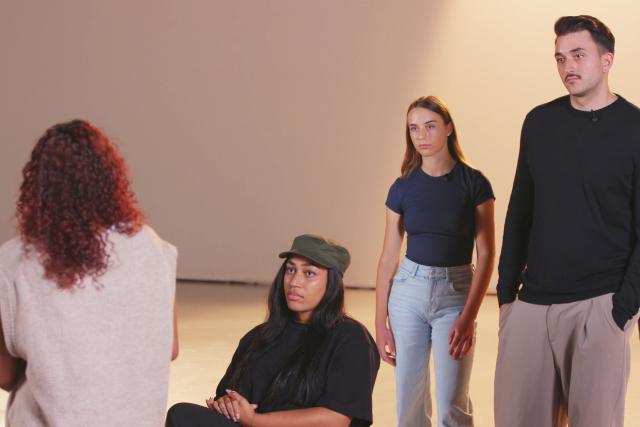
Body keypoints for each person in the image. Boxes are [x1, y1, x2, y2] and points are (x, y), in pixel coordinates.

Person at [495, 15, 640, 427]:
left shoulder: (635, 128)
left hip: (600, 303)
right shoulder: (539, 122)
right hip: (531, 305)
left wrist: (622, 310)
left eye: (578, 55)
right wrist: (506, 298)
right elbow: (519, 211)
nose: (567, 67)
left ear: (607, 60)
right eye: (560, 58)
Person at [0, 120, 179, 427]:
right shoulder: (153, 247)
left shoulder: (16, 259)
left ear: (38, 187)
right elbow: (171, 348)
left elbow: (4, 376)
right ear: (110, 179)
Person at [166, 234, 380, 427]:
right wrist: (227, 405)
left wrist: (255, 421)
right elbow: (230, 397)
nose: (295, 282)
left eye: (309, 273)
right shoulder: (258, 336)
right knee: (182, 415)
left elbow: (336, 419)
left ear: (332, 284)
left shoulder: (350, 338)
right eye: (290, 270)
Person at [375, 96, 495, 427]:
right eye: (414, 129)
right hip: (407, 293)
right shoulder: (402, 187)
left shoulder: (474, 183)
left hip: (455, 294)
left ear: (448, 128)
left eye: (430, 126)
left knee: (451, 403)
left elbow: (486, 254)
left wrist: (469, 316)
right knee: (409, 403)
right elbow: (388, 259)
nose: (421, 136)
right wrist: (380, 324)